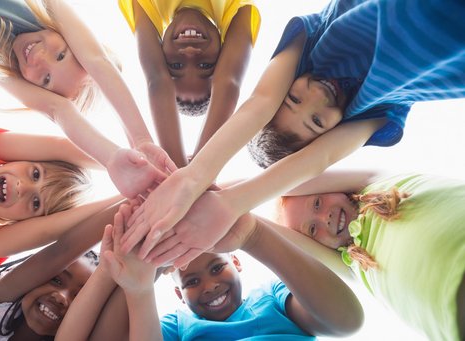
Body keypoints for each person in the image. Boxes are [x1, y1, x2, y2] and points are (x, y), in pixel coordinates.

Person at [118, 0, 465, 266]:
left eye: (293, 98)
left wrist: (193, 177)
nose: (314, 96)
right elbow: (321, 158)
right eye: (316, 122)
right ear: (332, 132)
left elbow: (260, 101)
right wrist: (229, 205)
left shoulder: (314, 39)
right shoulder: (377, 109)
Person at [0, 0, 174, 198]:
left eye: (46, 80)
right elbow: (98, 61)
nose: (40, 59)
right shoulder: (42, 11)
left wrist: (111, 158)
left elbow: (58, 109)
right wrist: (141, 140)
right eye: (61, 55)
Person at [88, 203, 364, 340]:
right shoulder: (177, 327)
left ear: (237, 263)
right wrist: (139, 290)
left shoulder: (273, 298)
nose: (209, 286)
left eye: (218, 267)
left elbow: (346, 321)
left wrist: (254, 236)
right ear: (178, 294)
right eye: (192, 281)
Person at [275, 170, 465, 341]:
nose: (325, 218)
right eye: (313, 229)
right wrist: (245, 212)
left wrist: (246, 195)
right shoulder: (350, 263)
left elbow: (280, 182)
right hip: (453, 313)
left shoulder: (373, 182)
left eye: (317, 203)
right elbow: (281, 239)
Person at [0, 126, 123, 277]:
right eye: (35, 174)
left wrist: (130, 196)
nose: (23, 187)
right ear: (23, 157)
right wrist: (124, 164)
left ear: (26, 222)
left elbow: (50, 230)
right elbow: (60, 147)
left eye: (36, 204)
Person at [0, 200, 128, 340]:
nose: (62, 297)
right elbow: (61, 251)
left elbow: (131, 279)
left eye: (81, 297)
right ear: (33, 280)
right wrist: (138, 197)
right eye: (56, 280)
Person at [118, 0, 260, 166]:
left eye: (176, 66)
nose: (190, 52)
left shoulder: (150, 4)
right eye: (205, 65)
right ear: (224, 52)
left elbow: (157, 79)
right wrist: (200, 170)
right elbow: (229, 82)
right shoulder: (233, 5)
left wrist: (177, 170)